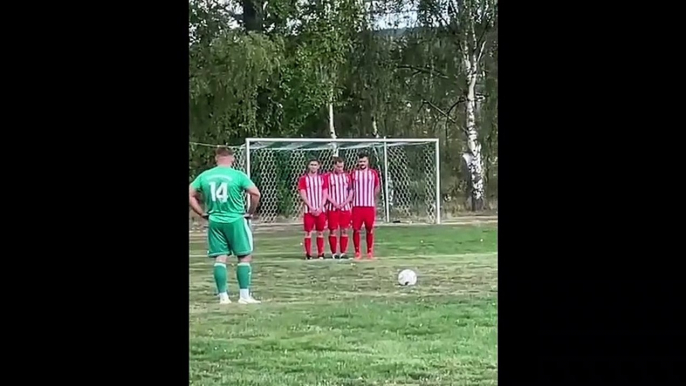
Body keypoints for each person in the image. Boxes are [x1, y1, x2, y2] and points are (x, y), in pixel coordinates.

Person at [188, 146, 262, 305]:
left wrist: (201, 213)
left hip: (215, 220)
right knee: (244, 256)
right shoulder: (237, 175)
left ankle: (223, 297)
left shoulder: (205, 176)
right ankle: (244, 296)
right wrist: (250, 211)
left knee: (220, 257)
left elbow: (190, 194)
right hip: (235, 219)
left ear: (216, 158)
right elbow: (255, 193)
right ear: (232, 158)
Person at [350, 153, 380, 260]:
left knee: (369, 229)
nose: (362, 163)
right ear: (358, 162)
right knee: (356, 230)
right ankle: (357, 252)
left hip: (369, 206)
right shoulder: (354, 173)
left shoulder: (373, 173)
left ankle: (369, 252)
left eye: (364, 161)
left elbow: (377, 186)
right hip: (357, 206)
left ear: (368, 162)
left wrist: (373, 199)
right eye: (360, 161)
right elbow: (350, 188)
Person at [298, 158, 328, 259]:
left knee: (320, 232)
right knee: (308, 232)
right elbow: (303, 193)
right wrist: (310, 206)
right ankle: (308, 254)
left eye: (315, 165)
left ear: (319, 166)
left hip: (320, 210)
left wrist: (321, 207)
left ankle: (321, 253)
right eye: (311, 164)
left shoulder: (322, 178)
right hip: (309, 210)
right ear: (308, 166)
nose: (313, 166)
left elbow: (325, 193)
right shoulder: (303, 179)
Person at [325, 157, 353, 259]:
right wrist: (334, 203)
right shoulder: (328, 177)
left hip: (345, 208)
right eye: (338, 166)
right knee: (333, 230)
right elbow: (325, 192)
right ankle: (333, 253)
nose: (340, 168)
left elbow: (350, 191)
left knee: (344, 230)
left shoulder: (347, 176)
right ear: (334, 166)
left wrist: (345, 202)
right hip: (333, 208)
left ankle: (342, 252)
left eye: (342, 166)